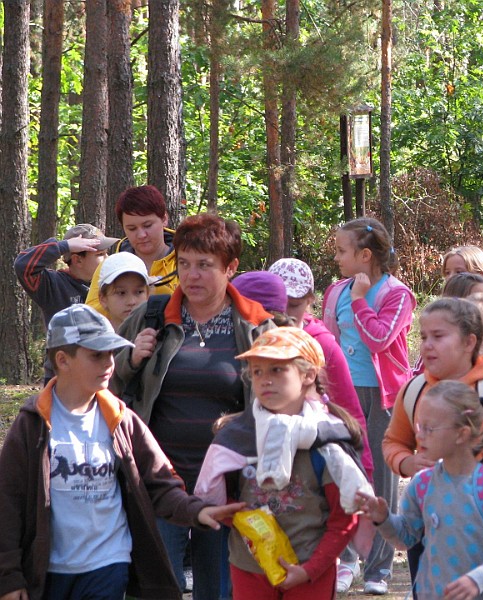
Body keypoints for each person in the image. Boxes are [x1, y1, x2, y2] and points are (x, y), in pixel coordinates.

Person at [0, 304, 243, 600]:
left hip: (108, 565)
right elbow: (8, 503)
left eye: (111, 354)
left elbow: (159, 483)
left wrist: (197, 510)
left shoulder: (121, 419)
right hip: (50, 570)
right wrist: (9, 576)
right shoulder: (32, 424)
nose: (109, 363)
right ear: (63, 360)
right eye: (96, 355)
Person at [110, 213, 275, 599]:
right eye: (184, 263)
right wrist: (130, 360)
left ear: (230, 268)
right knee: (159, 586)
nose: (192, 275)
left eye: (204, 265)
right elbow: (104, 383)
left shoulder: (257, 327)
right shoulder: (151, 316)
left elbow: (281, 403)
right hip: (160, 482)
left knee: (217, 590)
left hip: (228, 486)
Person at [195, 327, 372, 599]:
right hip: (249, 569)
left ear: (308, 375)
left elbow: (343, 519)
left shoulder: (329, 443)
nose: (265, 380)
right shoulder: (235, 438)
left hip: (309, 572)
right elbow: (218, 498)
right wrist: (233, 514)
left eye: (277, 370)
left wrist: (310, 570)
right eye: (257, 372)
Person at [383, 297, 483, 597]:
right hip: (431, 524)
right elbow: (394, 442)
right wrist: (406, 462)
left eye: (438, 336)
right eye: (423, 337)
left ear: (470, 342)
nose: (427, 345)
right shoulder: (414, 389)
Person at [360, 380, 483, 599]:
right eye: (419, 427)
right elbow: (406, 537)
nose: (420, 436)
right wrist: (384, 519)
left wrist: (479, 578)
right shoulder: (422, 484)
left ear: (461, 434)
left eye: (429, 428)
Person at [322, 217, 416, 595]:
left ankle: (378, 568)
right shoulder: (335, 291)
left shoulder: (397, 294)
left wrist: (361, 300)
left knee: (381, 481)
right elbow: (328, 342)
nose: (336, 258)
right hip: (342, 394)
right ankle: (346, 560)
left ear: (364, 255)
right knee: (341, 473)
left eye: (341, 251)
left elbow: (379, 339)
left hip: (383, 397)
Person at [233, 266, 373, 477]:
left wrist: (365, 472)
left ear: (310, 300)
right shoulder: (232, 343)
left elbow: (349, 411)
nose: (285, 314)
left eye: (294, 305)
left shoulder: (321, 344)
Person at [14, 223, 119, 382]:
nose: (107, 259)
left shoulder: (111, 283)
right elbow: (22, 265)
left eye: (106, 253)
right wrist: (64, 246)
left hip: (103, 374)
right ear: (77, 260)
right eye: (100, 254)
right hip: (63, 378)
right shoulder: (53, 284)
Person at [85, 185, 179, 318]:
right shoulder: (110, 266)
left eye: (147, 225)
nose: (141, 235)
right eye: (132, 228)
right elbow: (91, 314)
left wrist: (158, 288)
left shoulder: (185, 262)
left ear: (164, 219)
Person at [97, 252, 155, 330]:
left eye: (139, 292)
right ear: (103, 299)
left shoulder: (162, 334)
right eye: (121, 293)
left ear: (148, 295)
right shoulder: (91, 336)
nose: (131, 302)